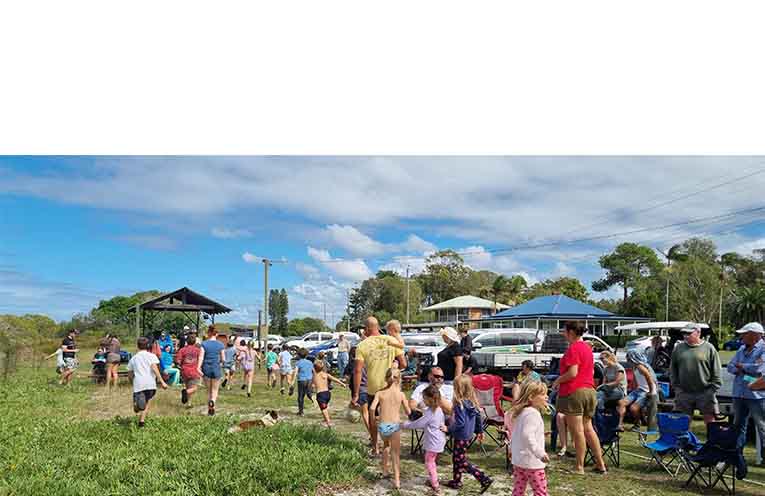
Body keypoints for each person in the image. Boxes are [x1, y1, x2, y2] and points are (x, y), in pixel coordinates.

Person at [551, 320, 607, 475]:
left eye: (564, 331)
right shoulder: (587, 348)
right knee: (588, 428)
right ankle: (600, 464)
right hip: (590, 391)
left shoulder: (573, 348)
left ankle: (579, 466)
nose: (563, 334)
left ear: (571, 332)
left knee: (577, 431)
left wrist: (557, 381)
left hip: (575, 392)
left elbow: (572, 373)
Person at [353, 316, 407, 457]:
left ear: (366, 329)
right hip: (390, 387)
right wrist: (394, 366)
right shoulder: (391, 341)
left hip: (372, 388)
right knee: (389, 417)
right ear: (377, 327)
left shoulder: (362, 345)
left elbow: (358, 370)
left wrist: (356, 394)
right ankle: (387, 446)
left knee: (373, 418)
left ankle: (375, 447)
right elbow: (404, 364)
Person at [444, 374, 493, 492]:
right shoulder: (472, 402)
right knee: (457, 458)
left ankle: (483, 478)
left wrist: (448, 429)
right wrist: (480, 431)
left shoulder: (459, 403)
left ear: (458, 388)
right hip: (468, 435)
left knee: (461, 460)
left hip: (461, 436)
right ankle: (456, 481)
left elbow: (460, 423)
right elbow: (478, 417)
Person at [670, 322, 722, 425]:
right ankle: (684, 440)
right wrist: (676, 387)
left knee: (710, 419)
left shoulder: (709, 348)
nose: (686, 336)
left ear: (698, 333)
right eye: (684, 333)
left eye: (689, 333)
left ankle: (712, 440)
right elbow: (673, 369)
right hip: (684, 392)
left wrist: (713, 389)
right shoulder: (678, 348)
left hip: (705, 391)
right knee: (683, 421)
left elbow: (716, 370)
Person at [726, 322, 765, 457]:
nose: (741, 336)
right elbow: (730, 367)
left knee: (762, 426)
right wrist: (745, 368)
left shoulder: (763, 349)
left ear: (754, 335)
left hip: (756, 395)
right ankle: (737, 456)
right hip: (739, 394)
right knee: (738, 426)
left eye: (744, 333)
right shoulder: (741, 349)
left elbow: (759, 369)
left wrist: (742, 366)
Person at [370, 368, 411, 490]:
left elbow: (372, 408)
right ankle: (397, 480)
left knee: (386, 446)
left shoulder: (380, 393)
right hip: (395, 426)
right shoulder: (401, 394)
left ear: (386, 378)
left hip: (382, 425)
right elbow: (408, 412)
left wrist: (374, 420)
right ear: (399, 379)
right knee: (395, 454)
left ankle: (385, 470)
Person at [402, 385, 447, 494]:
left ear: (430, 399)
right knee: (432, 461)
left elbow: (418, 424)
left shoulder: (430, 413)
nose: (423, 400)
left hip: (433, 442)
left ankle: (435, 485)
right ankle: (433, 480)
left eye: (424, 398)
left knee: (429, 462)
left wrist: (404, 425)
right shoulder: (439, 409)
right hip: (440, 440)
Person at [511, 380, 551, 496]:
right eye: (543, 394)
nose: (546, 397)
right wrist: (540, 453)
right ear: (531, 397)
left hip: (519, 461)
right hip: (532, 462)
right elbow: (527, 435)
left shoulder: (522, 412)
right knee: (540, 492)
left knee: (518, 490)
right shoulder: (533, 414)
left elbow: (517, 434)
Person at [127, 336, 168, 427]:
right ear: (148, 346)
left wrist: (131, 382)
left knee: (140, 405)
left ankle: (137, 406)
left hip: (139, 384)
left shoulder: (134, 358)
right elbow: (154, 368)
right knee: (147, 402)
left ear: (137, 346)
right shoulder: (152, 356)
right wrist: (162, 382)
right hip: (151, 384)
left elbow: (129, 373)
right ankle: (141, 421)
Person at [621, 350, 658, 431]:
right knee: (622, 403)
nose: (627, 359)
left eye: (628, 357)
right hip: (639, 389)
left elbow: (649, 378)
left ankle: (637, 424)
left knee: (633, 408)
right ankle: (620, 425)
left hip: (646, 390)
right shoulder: (634, 366)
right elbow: (635, 379)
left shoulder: (640, 366)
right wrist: (632, 389)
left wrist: (651, 391)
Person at [198, 326, 225, 416]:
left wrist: (198, 367)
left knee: (208, 390)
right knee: (215, 390)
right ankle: (212, 402)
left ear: (208, 333)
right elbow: (223, 358)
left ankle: (209, 406)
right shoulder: (220, 344)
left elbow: (201, 357)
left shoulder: (204, 344)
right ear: (216, 334)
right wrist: (220, 363)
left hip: (206, 369)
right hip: (216, 368)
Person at [312, 359, 347, 427]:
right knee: (324, 408)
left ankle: (328, 422)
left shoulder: (315, 376)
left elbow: (313, 385)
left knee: (323, 409)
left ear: (314, 368)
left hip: (320, 394)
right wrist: (342, 383)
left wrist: (312, 388)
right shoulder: (325, 374)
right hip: (327, 393)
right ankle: (326, 419)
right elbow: (334, 379)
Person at [596, 351, 627, 417]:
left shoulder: (619, 368)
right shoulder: (606, 369)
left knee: (600, 397)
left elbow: (617, 382)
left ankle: (600, 417)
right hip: (608, 390)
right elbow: (604, 382)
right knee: (598, 397)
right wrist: (603, 386)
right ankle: (599, 418)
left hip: (619, 390)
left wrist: (604, 386)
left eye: (602, 358)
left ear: (609, 358)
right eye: (600, 359)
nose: (601, 360)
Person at [347, 346, 371, 431]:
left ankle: (373, 435)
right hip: (372, 388)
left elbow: (355, 377)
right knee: (372, 412)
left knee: (365, 413)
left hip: (363, 389)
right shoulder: (369, 362)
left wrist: (355, 395)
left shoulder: (356, 364)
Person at [175, 334, 201, 407]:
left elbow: (178, 361)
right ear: (195, 341)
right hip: (194, 371)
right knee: (194, 388)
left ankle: (189, 403)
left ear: (186, 341)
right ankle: (186, 392)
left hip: (184, 371)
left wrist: (180, 366)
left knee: (188, 386)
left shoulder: (182, 350)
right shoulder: (198, 350)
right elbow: (200, 360)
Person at [295, 348, 314, 415]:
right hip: (309, 380)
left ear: (298, 355)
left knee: (301, 396)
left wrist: (292, 382)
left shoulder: (298, 363)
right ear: (306, 355)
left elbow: (296, 373)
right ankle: (314, 400)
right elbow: (313, 371)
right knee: (309, 393)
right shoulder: (310, 362)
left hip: (302, 380)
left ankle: (301, 412)